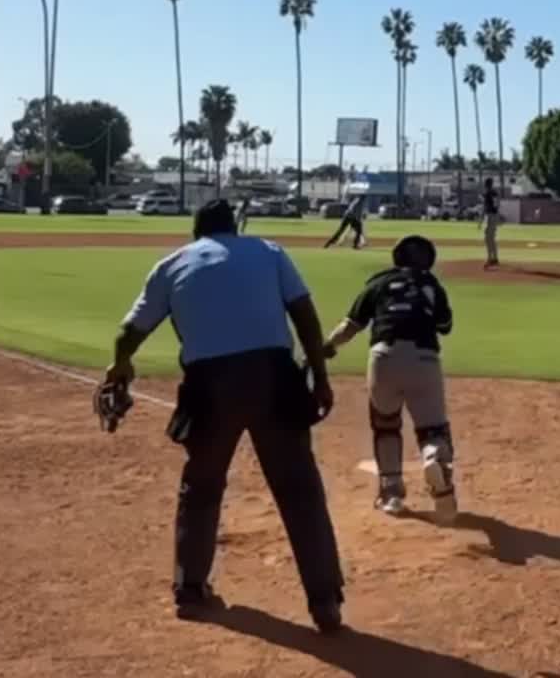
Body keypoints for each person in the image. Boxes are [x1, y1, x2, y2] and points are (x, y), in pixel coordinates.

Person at [102, 199, 346, 632]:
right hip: (275, 376)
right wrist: (320, 378)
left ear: (197, 231)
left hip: (210, 384)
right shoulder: (269, 252)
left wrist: (119, 366)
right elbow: (305, 315)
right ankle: (324, 600)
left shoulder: (172, 264)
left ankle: (190, 590)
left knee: (202, 486)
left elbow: (129, 331)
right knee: (300, 489)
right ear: (234, 228)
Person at [322, 235, 458, 523]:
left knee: (385, 426)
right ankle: (434, 460)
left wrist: (329, 347)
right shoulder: (432, 286)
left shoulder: (379, 283)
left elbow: (350, 326)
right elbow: (445, 326)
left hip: (383, 357)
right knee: (433, 429)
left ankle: (391, 493)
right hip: (424, 359)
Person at [479, 178, 501, 270]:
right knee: (491, 238)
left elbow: (486, 207)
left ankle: (490, 259)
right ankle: (495, 258)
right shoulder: (493, 193)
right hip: (493, 216)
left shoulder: (488, 194)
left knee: (488, 238)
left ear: (486, 184)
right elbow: (497, 203)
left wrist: (481, 220)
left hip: (491, 216)